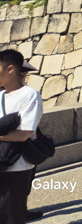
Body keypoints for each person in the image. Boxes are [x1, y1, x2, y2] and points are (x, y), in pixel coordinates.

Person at [0, 50, 43, 224]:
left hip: (16, 166)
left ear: (10, 69)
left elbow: (23, 134)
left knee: (10, 216)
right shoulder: (1, 95)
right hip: (1, 162)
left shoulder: (29, 95)